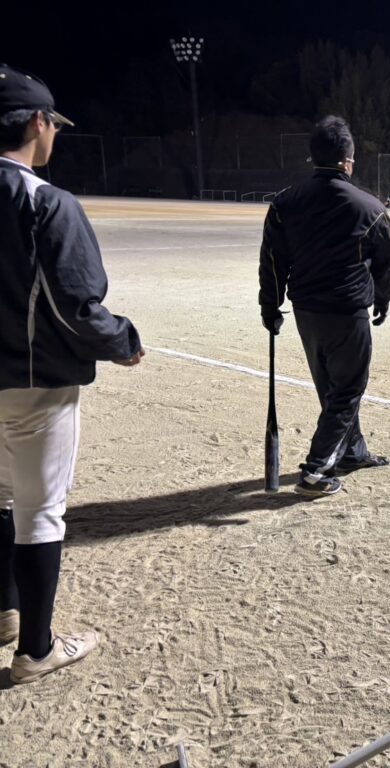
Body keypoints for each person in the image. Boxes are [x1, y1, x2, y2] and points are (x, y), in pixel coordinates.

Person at [0, 64, 144, 683]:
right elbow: (75, 307)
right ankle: (35, 650)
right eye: (53, 123)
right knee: (39, 510)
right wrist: (124, 342)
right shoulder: (45, 202)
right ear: (37, 122)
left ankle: (5, 610)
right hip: (35, 385)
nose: (54, 133)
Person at [259, 116, 390, 497]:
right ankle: (316, 471)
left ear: (314, 157)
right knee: (347, 389)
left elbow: (272, 260)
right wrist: (383, 299)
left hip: (307, 313)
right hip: (347, 312)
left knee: (333, 388)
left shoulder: (285, 203)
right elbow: (385, 265)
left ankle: (352, 452)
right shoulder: (370, 208)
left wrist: (270, 306)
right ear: (348, 161)